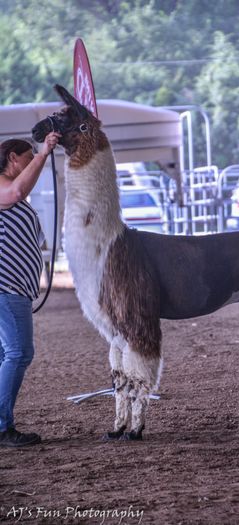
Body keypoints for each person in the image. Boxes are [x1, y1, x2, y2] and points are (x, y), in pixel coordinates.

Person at [0, 131, 60, 447]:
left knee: (6, 355)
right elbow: (18, 190)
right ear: (13, 158)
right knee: (19, 352)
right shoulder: (6, 188)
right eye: (27, 157)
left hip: (14, 289)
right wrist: (45, 152)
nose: (30, 164)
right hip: (5, 289)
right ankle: (1, 427)